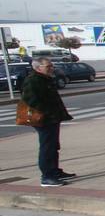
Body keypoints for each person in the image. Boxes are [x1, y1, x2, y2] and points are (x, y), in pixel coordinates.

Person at [20, 56, 74, 187]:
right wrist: (47, 113)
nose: (51, 68)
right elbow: (30, 101)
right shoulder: (33, 81)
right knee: (47, 147)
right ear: (38, 67)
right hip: (44, 120)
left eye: (51, 66)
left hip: (52, 118)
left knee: (53, 146)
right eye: (48, 66)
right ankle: (47, 177)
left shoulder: (45, 79)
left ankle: (54, 171)